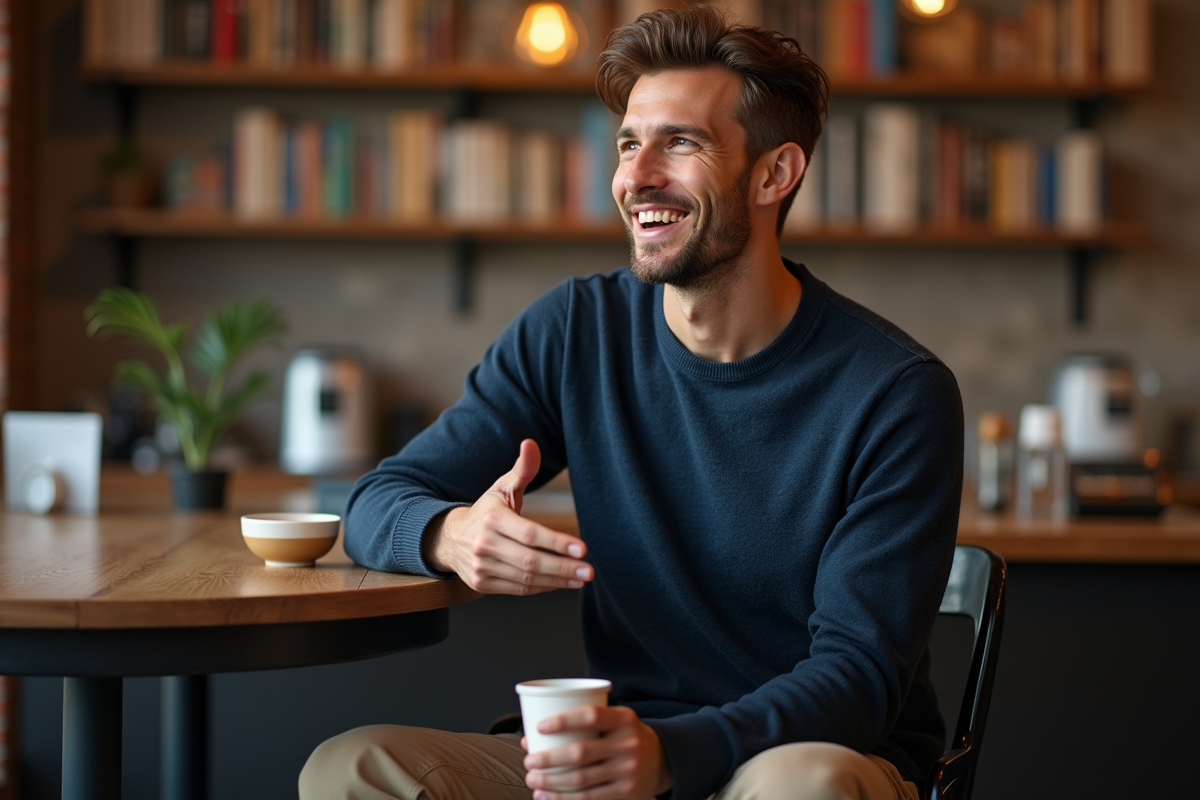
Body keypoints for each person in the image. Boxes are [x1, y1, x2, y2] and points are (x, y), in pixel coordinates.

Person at [299, 5, 963, 800]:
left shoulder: (896, 392)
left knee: (802, 785)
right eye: (626, 143)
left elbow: (858, 678)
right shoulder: (577, 330)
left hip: (806, 754)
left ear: (773, 174)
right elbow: (377, 500)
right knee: (350, 768)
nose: (635, 176)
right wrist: (451, 533)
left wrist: (672, 754)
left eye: (679, 142)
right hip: (615, 754)